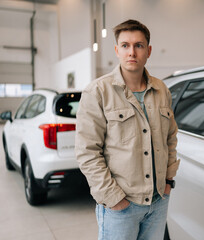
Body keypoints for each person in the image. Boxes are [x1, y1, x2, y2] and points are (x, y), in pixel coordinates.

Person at [75, 19, 179, 240]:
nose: (132, 52)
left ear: (148, 51)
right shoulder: (97, 92)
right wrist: (113, 198)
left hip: (158, 202)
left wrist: (168, 182)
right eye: (125, 45)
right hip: (121, 207)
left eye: (139, 45)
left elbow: (170, 139)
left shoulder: (161, 90)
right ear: (117, 50)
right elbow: (87, 152)